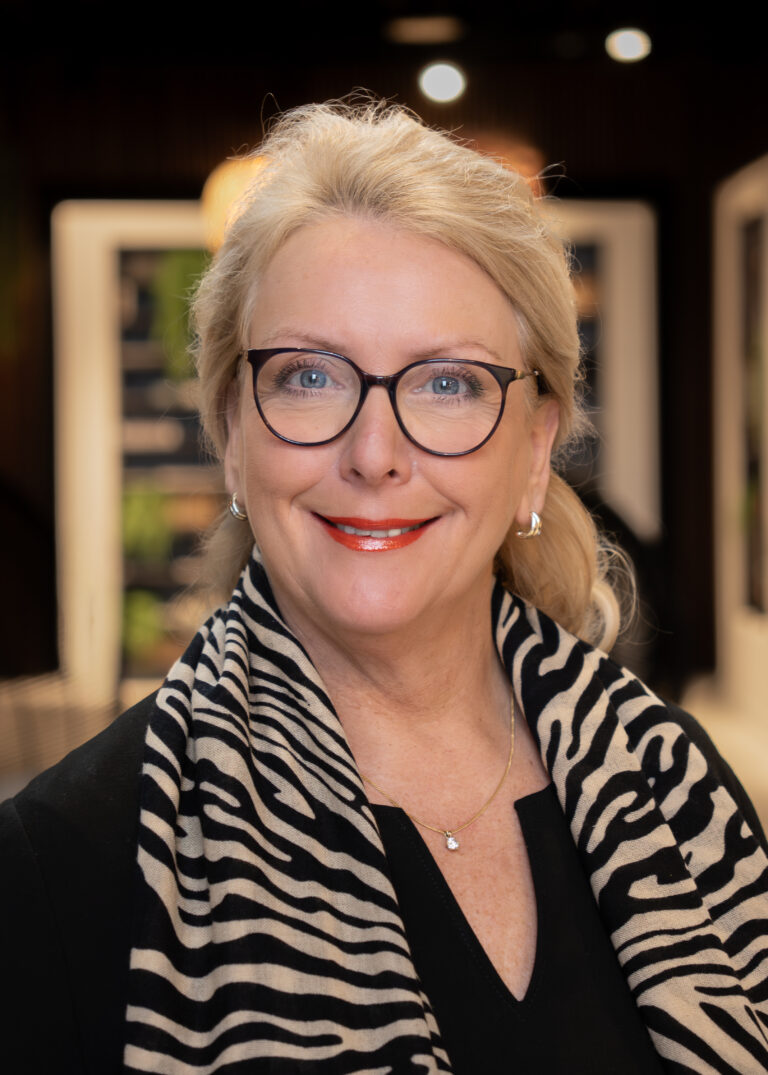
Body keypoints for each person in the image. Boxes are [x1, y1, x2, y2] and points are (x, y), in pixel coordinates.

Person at [2, 100, 767, 1075]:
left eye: (446, 383)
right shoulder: (66, 862)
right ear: (233, 433)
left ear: (536, 449)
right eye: (310, 376)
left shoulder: (675, 785)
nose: (375, 454)